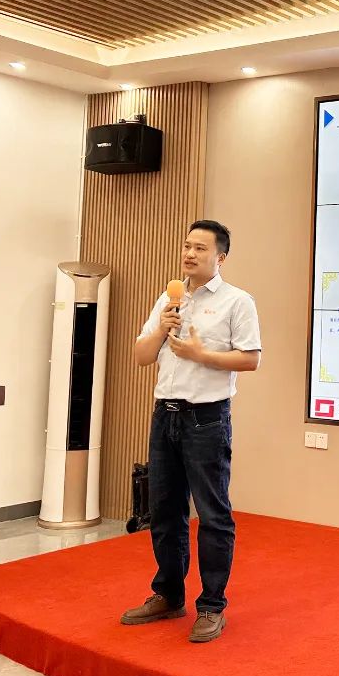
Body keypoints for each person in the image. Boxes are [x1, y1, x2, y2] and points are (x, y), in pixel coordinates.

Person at [121, 220, 262, 643]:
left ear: (220, 257)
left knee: (213, 515)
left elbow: (251, 359)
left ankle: (212, 605)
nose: (190, 254)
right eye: (187, 246)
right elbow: (141, 355)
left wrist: (202, 355)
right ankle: (168, 595)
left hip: (206, 418)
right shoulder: (169, 298)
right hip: (164, 415)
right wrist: (161, 328)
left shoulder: (237, 301)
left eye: (200, 248)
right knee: (165, 511)